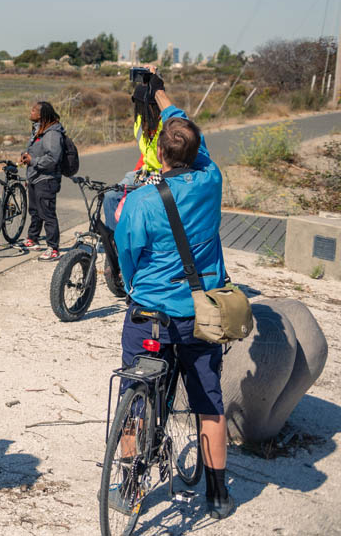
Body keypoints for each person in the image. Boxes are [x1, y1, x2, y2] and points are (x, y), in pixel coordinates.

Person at [114, 78, 235, 519]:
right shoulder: (210, 178)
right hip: (199, 313)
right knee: (208, 400)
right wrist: (164, 96)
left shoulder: (141, 202)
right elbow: (186, 133)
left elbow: (127, 255)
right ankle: (218, 494)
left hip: (149, 312)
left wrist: (134, 286)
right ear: (195, 152)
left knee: (136, 392)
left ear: (159, 155)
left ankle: (128, 486)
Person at [103, 68, 166, 230]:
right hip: (145, 172)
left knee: (138, 202)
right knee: (111, 195)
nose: (138, 110)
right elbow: (145, 154)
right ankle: (114, 241)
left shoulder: (167, 124)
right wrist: (136, 175)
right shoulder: (139, 123)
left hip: (163, 176)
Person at [20, 101, 65, 260]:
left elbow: (53, 158)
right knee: (35, 211)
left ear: (42, 114)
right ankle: (33, 239)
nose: (30, 112)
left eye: (33, 110)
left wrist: (33, 161)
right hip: (35, 177)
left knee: (47, 214)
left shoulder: (52, 133)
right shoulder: (39, 130)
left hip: (47, 179)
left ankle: (53, 248)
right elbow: (36, 152)